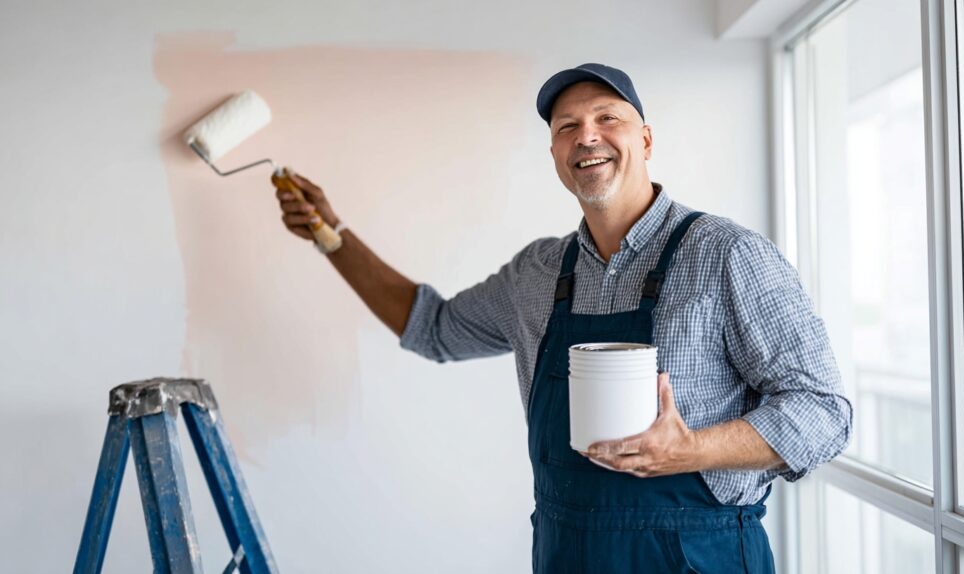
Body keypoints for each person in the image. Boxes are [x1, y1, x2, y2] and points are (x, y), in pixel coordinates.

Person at [272, 63, 852, 573]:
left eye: (608, 118)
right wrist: (331, 235)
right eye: (566, 127)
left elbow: (823, 412)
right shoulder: (538, 273)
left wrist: (691, 450)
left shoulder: (726, 255)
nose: (586, 136)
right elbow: (434, 327)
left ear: (646, 139)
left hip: (698, 557)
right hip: (567, 552)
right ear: (554, 153)